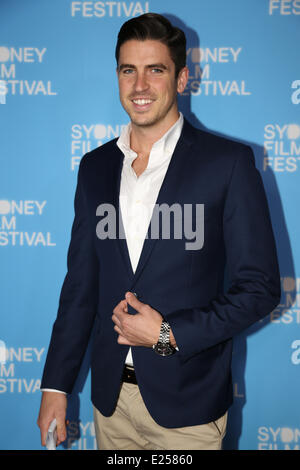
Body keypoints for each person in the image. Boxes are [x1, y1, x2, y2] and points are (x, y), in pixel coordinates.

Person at [37, 13, 280, 450]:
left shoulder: (227, 164)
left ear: (182, 78)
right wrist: (55, 386)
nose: (140, 85)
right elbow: (80, 287)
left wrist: (168, 335)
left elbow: (260, 289)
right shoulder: (94, 168)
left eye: (156, 69)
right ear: (117, 77)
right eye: (129, 70)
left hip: (189, 407)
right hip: (110, 405)